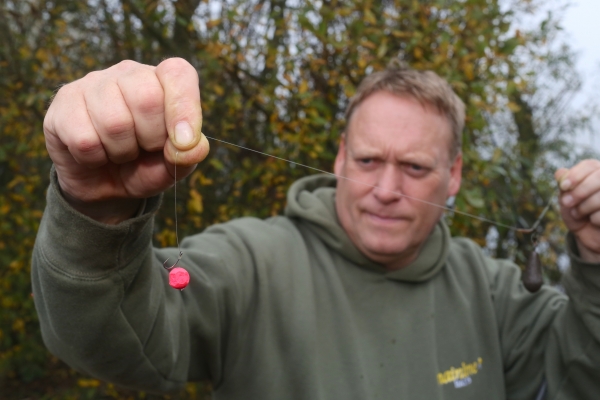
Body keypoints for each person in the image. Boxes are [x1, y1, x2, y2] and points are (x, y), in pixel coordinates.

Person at [32, 58, 600, 399]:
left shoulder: (501, 296)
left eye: (416, 167)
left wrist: (596, 262)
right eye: (371, 160)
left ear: (453, 175)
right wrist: (97, 212)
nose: (385, 189)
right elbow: (110, 340)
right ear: (339, 159)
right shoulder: (249, 264)